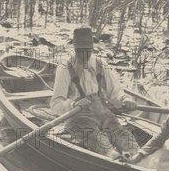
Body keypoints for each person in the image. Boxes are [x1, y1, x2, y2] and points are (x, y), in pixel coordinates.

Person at [50, 26, 139, 159]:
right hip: (79, 117)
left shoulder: (101, 64)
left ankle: (137, 155)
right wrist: (74, 104)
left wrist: (125, 99)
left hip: (103, 113)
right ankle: (114, 158)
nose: (84, 54)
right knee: (96, 137)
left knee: (122, 134)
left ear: (92, 47)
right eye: (80, 50)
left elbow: (115, 93)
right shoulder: (65, 68)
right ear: (74, 48)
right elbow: (56, 105)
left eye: (88, 50)